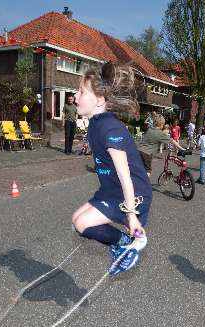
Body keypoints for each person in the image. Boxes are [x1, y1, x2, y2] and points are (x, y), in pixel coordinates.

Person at [71, 62, 152, 275]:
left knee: (83, 224)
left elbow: (126, 176)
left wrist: (132, 215)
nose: (75, 96)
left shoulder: (110, 128)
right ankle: (120, 242)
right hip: (111, 191)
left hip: (133, 194)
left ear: (98, 100)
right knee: (76, 220)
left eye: (81, 91)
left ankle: (128, 243)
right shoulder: (96, 124)